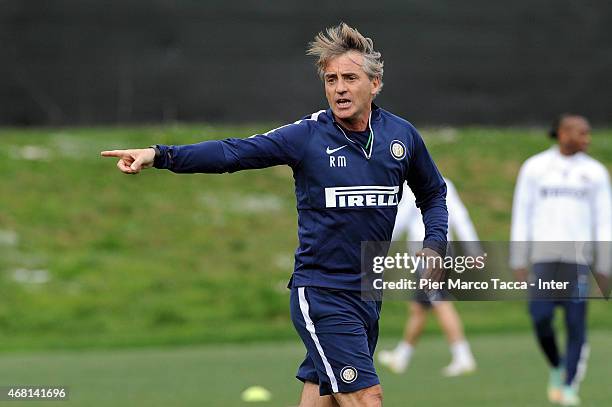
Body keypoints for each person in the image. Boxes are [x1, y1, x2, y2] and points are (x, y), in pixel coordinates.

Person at [101, 23, 448, 407]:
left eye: (350, 78)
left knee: (323, 398)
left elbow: (433, 193)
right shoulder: (307, 136)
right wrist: (160, 155)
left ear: (375, 83)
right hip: (323, 292)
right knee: (367, 398)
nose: (339, 88)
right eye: (331, 79)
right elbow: (233, 153)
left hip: (367, 293)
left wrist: (434, 243)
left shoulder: (401, 137)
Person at [510, 114, 611, 406]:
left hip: (578, 262)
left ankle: (568, 385)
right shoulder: (535, 167)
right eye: (582, 133)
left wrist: (604, 265)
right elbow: (522, 214)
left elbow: (604, 221)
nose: (588, 139)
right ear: (563, 133)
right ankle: (556, 365)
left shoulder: (594, 173)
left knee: (576, 322)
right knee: (540, 319)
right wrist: (519, 258)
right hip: (543, 259)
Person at [377, 178, 478, 376]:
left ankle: (463, 356)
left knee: (440, 303)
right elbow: (460, 217)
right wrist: (473, 248)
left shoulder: (409, 188)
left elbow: (399, 221)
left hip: (428, 256)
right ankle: (401, 356)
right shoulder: (445, 183)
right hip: (438, 253)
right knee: (419, 308)